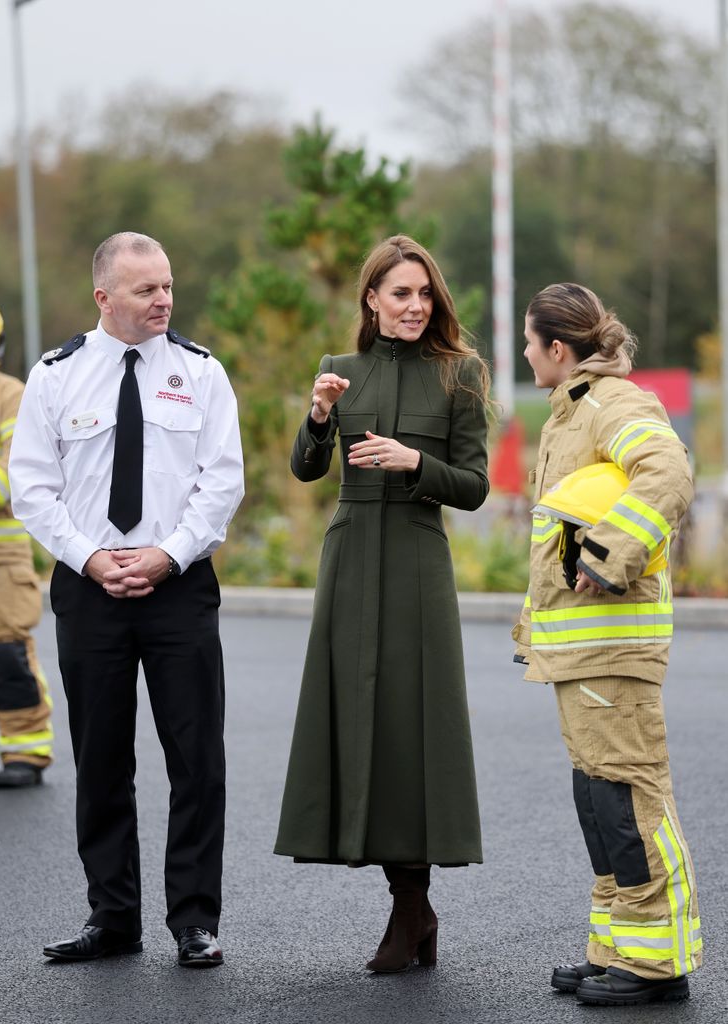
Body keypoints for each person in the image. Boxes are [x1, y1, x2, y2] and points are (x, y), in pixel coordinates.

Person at [9, 232, 244, 968]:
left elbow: (222, 481)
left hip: (179, 589)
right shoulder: (56, 375)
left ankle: (194, 921)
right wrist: (92, 559)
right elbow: (32, 489)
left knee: (196, 758)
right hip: (91, 591)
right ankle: (112, 919)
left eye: (167, 286)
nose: (164, 300)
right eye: (146, 290)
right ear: (103, 297)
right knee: (102, 759)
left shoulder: (202, 373)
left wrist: (166, 554)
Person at [274, 235, 490, 973]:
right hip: (350, 559)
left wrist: (414, 463)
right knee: (358, 724)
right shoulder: (340, 372)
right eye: (400, 293)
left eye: (424, 294)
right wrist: (317, 416)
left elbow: (474, 486)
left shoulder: (460, 375)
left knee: (410, 728)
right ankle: (411, 909)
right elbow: (306, 470)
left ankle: (411, 907)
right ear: (370, 298)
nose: (414, 306)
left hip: (418, 562)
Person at [514, 282, 701, 1006]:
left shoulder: (612, 405)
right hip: (581, 650)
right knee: (599, 800)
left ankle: (659, 964)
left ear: (557, 349)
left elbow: (668, 472)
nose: (526, 355)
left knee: (629, 797)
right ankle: (619, 947)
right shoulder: (572, 413)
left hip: (613, 648)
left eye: (530, 344)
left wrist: (608, 553)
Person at [0, 305, 54, 787]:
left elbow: (15, 476)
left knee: (7, 652)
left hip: (1, 559)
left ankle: (26, 748)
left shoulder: (11, 396)